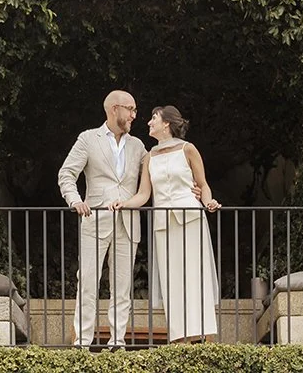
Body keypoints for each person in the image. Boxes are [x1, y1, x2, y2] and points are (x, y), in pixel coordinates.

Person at [109, 105, 221, 343]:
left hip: (190, 217)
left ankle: (203, 338)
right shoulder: (149, 157)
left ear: (167, 123)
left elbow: (203, 185)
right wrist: (124, 203)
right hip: (163, 223)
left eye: (153, 118)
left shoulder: (188, 149)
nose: (148, 122)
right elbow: (143, 195)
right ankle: (179, 339)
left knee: (195, 275)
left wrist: (209, 202)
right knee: (172, 279)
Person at [57, 90, 145, 351]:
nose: (134, 115)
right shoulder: (88, 139)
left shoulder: (138, 146)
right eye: (131, 109)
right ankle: (82, 342)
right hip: (94, 220)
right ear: (115, 109)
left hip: (128, 223)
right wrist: (74, 201)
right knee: (87, 282)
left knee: (123, 286)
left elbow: (157, 174)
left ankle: (117, 341)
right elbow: (66, 174)